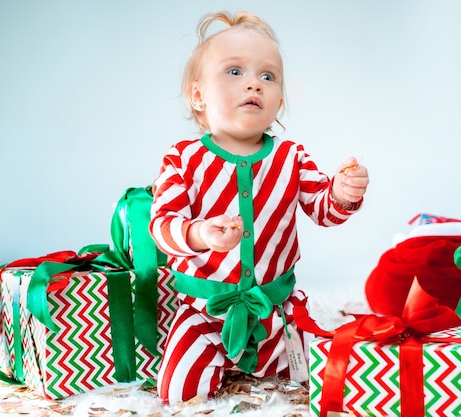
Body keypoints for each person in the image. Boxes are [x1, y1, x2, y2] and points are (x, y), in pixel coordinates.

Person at [149, 10, 369, 404]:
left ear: (278, 102)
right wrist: (199, 233)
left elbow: (322, 210)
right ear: (198, 94)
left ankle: (276, 361)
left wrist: (342, 193)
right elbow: (163, 225)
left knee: (331, 376)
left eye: (267, 77)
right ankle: (207, 359)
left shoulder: (291, 156)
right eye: (234, 71)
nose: (254, 82)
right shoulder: (182, 158)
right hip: (203, 312)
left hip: (276, 311)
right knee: (178, 393)